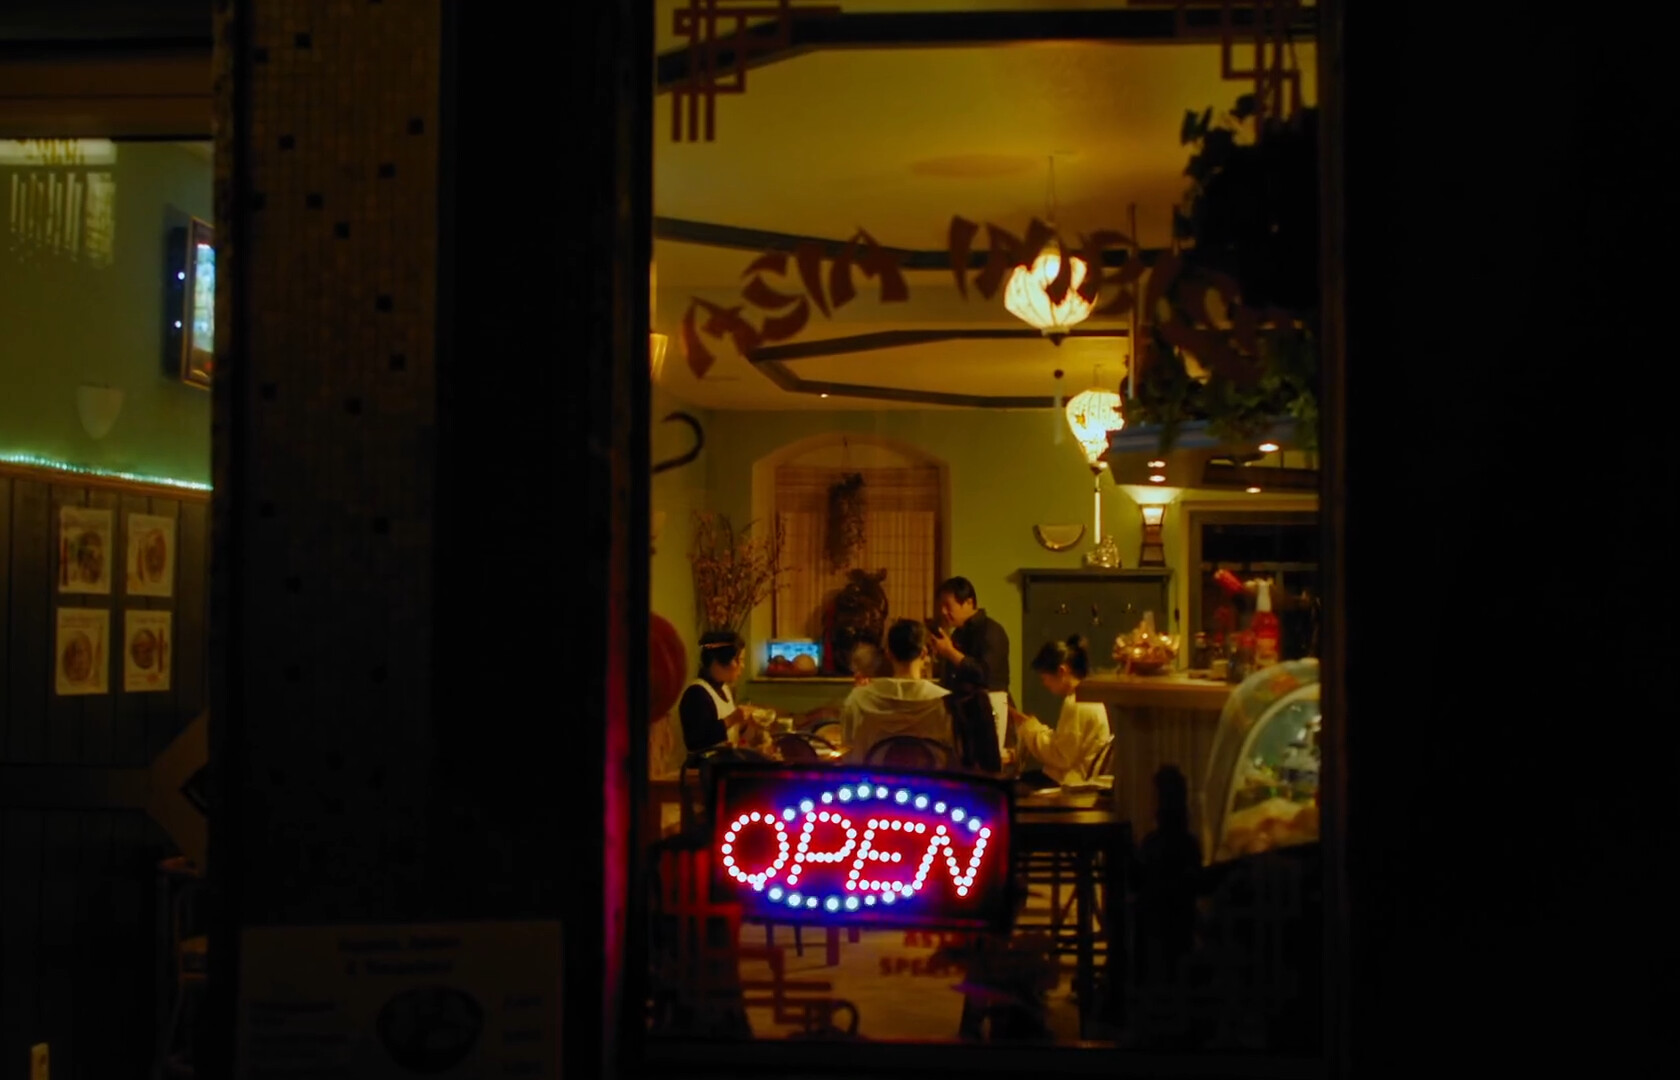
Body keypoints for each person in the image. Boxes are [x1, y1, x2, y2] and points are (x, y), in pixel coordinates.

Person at [840, 619, 953, 763]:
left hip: (876, 776)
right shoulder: (946, 702)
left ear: (888, 653)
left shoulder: (858, 699)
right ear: (924, 653)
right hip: (928, 777)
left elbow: (849, 752)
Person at [1008, 635, 1112, 787]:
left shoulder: (1077, 703)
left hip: (1073, 782)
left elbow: (1061, 757)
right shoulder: (1086, 696)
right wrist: (1032, 726)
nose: (1045, 684)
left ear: (1062, 671)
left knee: (1012, 785)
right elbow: (1065, 745)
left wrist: (1030, 730)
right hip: (1076, 775)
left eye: (1045, 678)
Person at [930, 576, 1010, 695]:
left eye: (948, 606)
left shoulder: (991, 630)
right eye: (941, 606)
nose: (943, 611)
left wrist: (950, 652)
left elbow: (985, 674)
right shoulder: (958, 633)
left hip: (989, 702)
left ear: (969, 602)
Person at [678, 631, 747, 751]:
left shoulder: (724, 688)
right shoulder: (697, 693)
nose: (742, 666)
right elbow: (697, 742)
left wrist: (745, 724)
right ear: (718, 661)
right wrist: (732, 719)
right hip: (706, 762)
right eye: (738, 660)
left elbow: (728, 733)